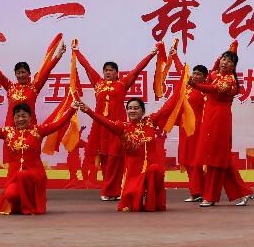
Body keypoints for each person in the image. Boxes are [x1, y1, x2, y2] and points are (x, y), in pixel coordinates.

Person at [73, 79, 183, 212]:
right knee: (132, 205)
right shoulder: (122, 127)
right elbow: (105, 122)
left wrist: (182, 85)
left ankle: (151, 203)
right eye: (129, 108)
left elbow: (168, 106)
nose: (132, 111)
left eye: (136, 108)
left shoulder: (150, 122)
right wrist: (88, 111)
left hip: (151, 167)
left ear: (143, 111)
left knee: (154, 170)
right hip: (133, 172)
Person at [73, 40, 158, 201]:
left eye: (111, 70)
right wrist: (77, 52)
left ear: (117, 73)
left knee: (116, 158)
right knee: (105, 158)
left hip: (117, 127)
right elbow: (87, 67)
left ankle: (111, 191)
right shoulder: (98, 83)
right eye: (105, 70)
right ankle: (110, 191)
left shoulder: (122, 84)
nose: (108, 72)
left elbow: (137, 70)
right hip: (100, 126)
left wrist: (151, 54)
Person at [0, 102, 74, 215]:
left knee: (23, 175)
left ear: (30, 118)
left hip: (35, 174)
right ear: (13, 119)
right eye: (17, 116)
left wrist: (72, 109)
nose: (20, 119)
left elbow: (58, 124)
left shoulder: (38, 130)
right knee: (10, 194)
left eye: (23, 116)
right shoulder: (7, 132)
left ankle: (30, 208)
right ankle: (21, 207)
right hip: (15, 176)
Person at [187, 43, 254, 207]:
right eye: (224, 59)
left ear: (234, 67)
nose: (225, 62)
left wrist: (195, 85)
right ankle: (243, 192)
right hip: (209, 118)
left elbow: (211, 89)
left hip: (220, 120)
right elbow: (211, 74)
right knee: (220, 157)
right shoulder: (215, 74)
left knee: (216, 158)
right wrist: (227, 53)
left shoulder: (230, 81)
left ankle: (210, 196)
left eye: (229, 61)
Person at [0, 41, 66, 126]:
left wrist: (58, 56)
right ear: (15, 74)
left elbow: (47, 71)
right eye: (18, 73)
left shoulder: (35, 87)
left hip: (30, 128)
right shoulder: (10, 87)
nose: (21, 75)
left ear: (29, 73)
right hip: (11, 128)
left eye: (23, 72)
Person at [174, 60, 208, 202]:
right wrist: (174, 56)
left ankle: (199, 192)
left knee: (196, 160)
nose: (195, 76)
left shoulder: (205, 90)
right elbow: (182, 72)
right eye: (194, 73)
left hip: (197, 129)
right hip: (184, 129)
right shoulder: (186, 87)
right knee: (187, 159)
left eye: (199, 74)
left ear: (205, 77)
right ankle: (195, 191)